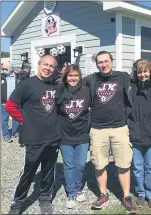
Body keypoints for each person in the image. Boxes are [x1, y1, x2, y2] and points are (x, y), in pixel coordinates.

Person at [5, 55, 61, 215]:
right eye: (45, 64)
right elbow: (10, 106)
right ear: (39, 64)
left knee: (49, 171)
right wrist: (25, 121)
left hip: (53, 138)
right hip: (34, 138)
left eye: (51, 66)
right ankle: (17, 204)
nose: (48, 68)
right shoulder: (27, 84)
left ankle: (45, 198)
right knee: (28, 172)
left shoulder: (56, 86)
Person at [84, 51, 136, 214]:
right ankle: (103, 194)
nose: (103, 64)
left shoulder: (122, 77)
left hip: (120, 127)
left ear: (112, 61)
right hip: (98, 129)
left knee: (123, 163)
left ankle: (126, 197)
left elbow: (142, 81)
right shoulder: (91, 79)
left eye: (106, 61)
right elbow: (71, 84)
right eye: (100, 62)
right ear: (96, 64)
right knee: (99, 164)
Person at [128, 59, 151, 210]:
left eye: (146, 71)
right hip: (135, 134)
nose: (143, 74)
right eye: (140, 71)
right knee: (137, 167)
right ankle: (141, 193)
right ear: (136, 73)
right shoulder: (131, 87)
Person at [55, 64, 91, 209]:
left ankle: (78, 187)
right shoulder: (59, 91)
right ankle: (71, 192)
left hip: (82, 134)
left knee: (81, 164)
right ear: (66, 77)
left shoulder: (86, 91)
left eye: (76, 75)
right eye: (70, 75)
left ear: (80, 77)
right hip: (65, 135)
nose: (73, 78)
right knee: (69, 165)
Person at [1, 63, 19, 142]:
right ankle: (6, 135)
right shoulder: (2, 77)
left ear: (11, 69)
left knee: (15, 118)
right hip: (4, 102)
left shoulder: (17, 77)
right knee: (4, 119)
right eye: (3, 69)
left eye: (5, 69)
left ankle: (15, 132)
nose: (4, 71)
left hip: (14, 102)